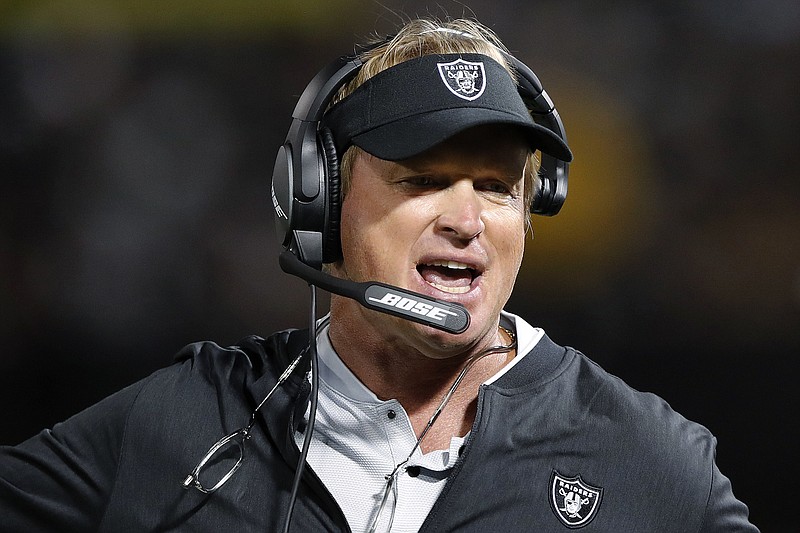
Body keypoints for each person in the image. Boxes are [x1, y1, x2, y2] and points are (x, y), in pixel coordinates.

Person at [0, 17, 758, 533]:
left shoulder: (645, 457)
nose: (467, 217)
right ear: (318, 201)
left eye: (496, 187)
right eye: (424, 179)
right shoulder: (185, 421)